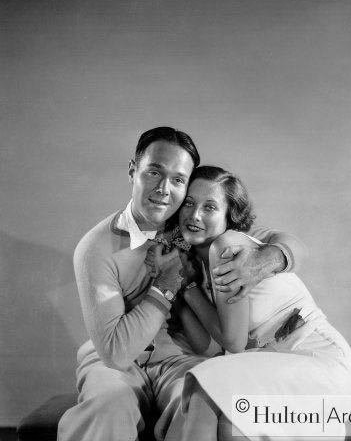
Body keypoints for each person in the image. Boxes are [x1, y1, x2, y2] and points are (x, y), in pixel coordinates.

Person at [57, 127, 307, 441]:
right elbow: (115, 354)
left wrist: (269, 258)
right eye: (154, 173)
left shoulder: (192, 225)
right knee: (107, 407)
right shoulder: (94, 248)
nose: (164, 189)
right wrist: (167, 284)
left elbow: (284, 242)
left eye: (178, 180)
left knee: (206, 405)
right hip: (113, 364)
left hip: (180, 357)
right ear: (133, 171)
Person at [154, 165, 351, 441]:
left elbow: (234, 342)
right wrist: (182, 287)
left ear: (230, 215)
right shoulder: (197, 267)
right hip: (271, 368)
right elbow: (209, 347)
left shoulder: (228, 246)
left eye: (210, 207)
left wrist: (188, 288)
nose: (195, 215)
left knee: (206, 384)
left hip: (316, 362)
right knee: (231, 425)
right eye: (189, 203)